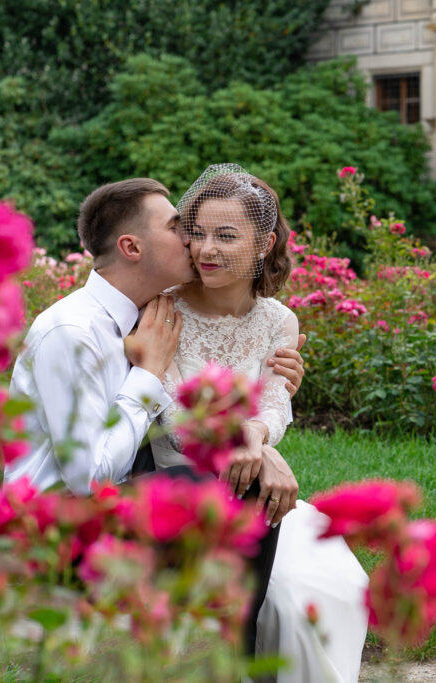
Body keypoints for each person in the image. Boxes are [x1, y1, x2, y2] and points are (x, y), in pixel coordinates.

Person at [4, 177, 306, 654]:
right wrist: (148, 373)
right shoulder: (74, 331)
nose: (193, 241)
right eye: (179, 227)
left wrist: (260, 427)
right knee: (227, 487)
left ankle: (223, 654)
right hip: (58, 527)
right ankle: (229, 659)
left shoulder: (136, 317)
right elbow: (89, 478)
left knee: (234, 490)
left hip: (119, 498)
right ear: (131, 246)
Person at [148, 165, 368, 683]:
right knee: (286, 597)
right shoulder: (164, 309)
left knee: (332, 585)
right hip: (185, 489)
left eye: (226, 236)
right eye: (197, 233)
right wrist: (249, 446)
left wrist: (258, 438)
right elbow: (175, 420)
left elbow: (273, 405)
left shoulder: (279, 321)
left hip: (253, 489)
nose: (206, 249)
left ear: (264, 243)